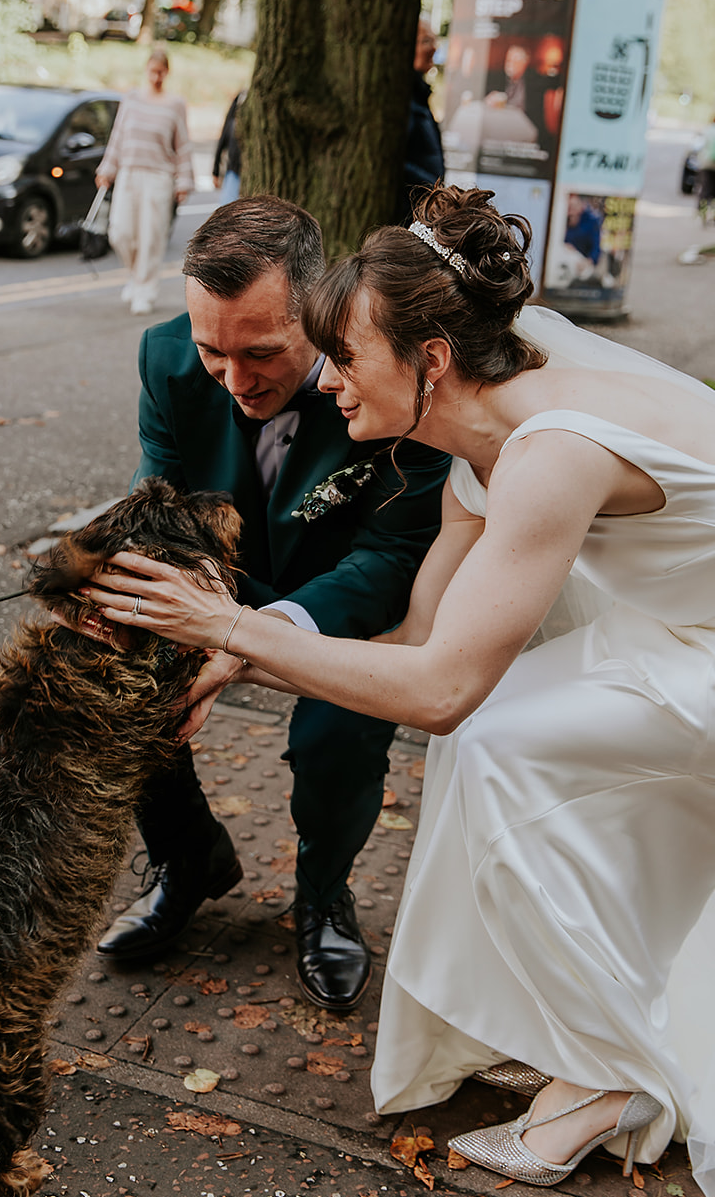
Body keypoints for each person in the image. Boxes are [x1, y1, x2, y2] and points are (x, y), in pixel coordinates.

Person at [86, 183, 715, 1197]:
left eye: (346, 358)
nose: (325, 382)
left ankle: (607, 1077)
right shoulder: (479, 447)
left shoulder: (552, 449)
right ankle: (577, 1019)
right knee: (492, 744)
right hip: (700, 634)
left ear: (427, 359)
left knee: (499, 735)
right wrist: (235, 663)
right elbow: (416, 648)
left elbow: (444, 694)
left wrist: (237, 631)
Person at [94, 196, 451, 1012]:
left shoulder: (388, 380)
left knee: (338, 736)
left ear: (317, 313)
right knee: (118, 668)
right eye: (212, 350)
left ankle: (323, 893)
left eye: (259, 353)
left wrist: (251, 638)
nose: (233, 380)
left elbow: (391, 551)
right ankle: (189, 860)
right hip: (228, 576)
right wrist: (169, 610)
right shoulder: (166, 361)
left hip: (346, 597)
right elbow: (164, 511)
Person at [95, 49, 193, 315]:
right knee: (120, 232)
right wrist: (107, 168)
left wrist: (183, 181)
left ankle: (145, 291)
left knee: (152, 237)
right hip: (128, 173)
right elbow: (117, 137)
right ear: (146, 69)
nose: (156, 76)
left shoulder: (175, 104)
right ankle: (135, 275)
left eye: (161, 72)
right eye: (152, 71)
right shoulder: (132, 99)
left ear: (167, 72)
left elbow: (182, 145)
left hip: (159, 176)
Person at [403, 17, 445, 214]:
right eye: (426, 41)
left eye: (434, 41)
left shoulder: (418, 93)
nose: (434, 48)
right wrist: (432, 189)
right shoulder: (402, 97)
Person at [212, 90, 244, 205]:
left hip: (239, 170)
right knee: (228, 207)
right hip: (234, 170)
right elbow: (223, 140)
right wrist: (216, 170)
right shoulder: (240, 99)